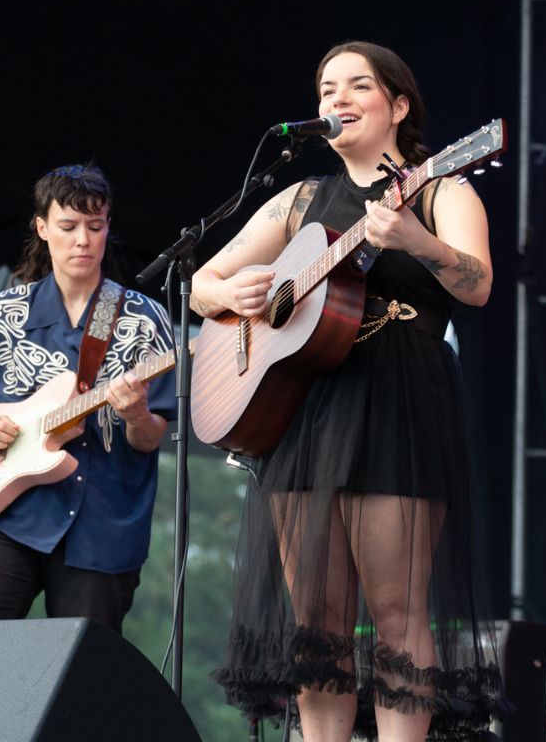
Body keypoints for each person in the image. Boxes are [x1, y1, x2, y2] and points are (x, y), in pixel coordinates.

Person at [198, 42, 506, 740]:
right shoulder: (299, 199)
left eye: (357, 85)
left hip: (396, 395)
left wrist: (417, 242)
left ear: (397, 105)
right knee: (317, 620)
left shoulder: (442, 189)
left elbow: (479, 284)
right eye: (325, 88)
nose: (336, 99)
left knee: (397, 612)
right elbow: (200, 285)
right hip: (306, 407)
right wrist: (235, 290)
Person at [0, 164, 176, 635]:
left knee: (82, 681)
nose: (82, 239)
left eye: (95, 226)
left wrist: (137, 415)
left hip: (101, 523)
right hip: (5, 514)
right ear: (42, 229)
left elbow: (150, 438)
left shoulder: (144, 319)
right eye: (68, 226)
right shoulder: (5, 311)